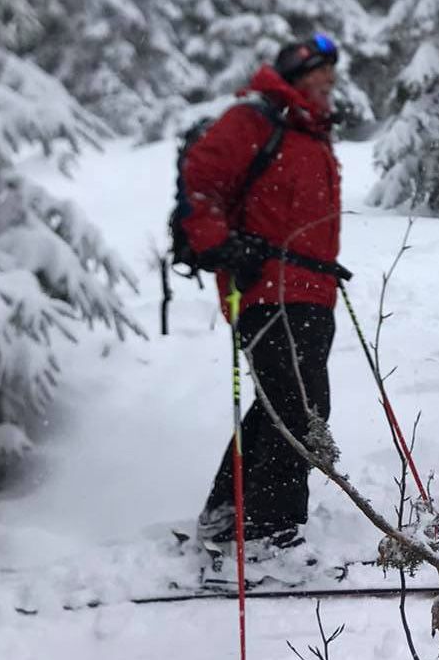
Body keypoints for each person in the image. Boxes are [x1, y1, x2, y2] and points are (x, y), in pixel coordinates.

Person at [179, 33, 350, 552]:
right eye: (321, 72)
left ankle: (228, 511)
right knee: (299, 407)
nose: (329, 82)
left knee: (280, 404)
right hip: (266, 289)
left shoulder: (309, 132)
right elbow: (200, 184)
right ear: (297, 75)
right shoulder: (255, 120)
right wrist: (224, 248)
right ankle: (266, 533)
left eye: (331, 73)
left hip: (311, 290)